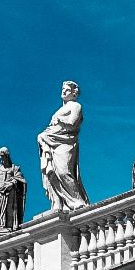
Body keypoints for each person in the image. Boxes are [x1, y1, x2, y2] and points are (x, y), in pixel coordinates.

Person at [37, 81, 89, 211]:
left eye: (67, 90)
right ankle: (59, 202)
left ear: (73, 93)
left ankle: (77, 202)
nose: (63, 91)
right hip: (50, 142)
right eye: (63, 89)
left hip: (66, 142)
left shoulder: (76, 106)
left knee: (63, 171)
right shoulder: (59, 110)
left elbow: (72, 124)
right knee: (52, 173)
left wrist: (59, 121)